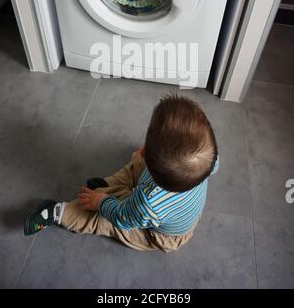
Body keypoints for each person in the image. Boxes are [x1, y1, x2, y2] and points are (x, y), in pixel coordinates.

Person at [24, 94, 219, 252]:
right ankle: (110, 187)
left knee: (104, 220)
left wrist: (100, 202)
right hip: (158, 190)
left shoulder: (148, 204)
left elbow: (123, 217)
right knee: (135, 167)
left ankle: (58, 212)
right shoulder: (209, 158)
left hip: (160, 235)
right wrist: (148, 155)